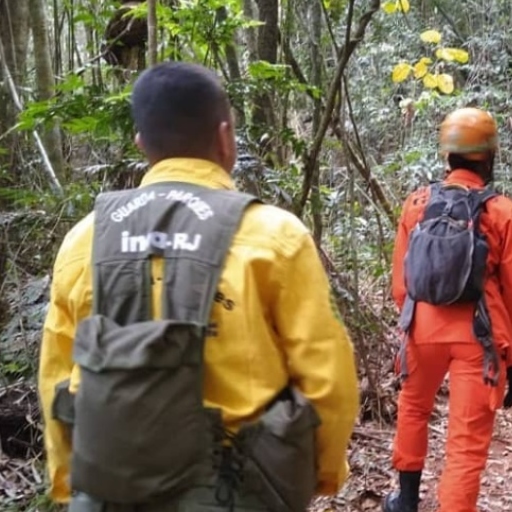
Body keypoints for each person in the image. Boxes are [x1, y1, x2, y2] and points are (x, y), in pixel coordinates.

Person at [38, 62, 360, 510]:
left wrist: (69, 482)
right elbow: (328, 380)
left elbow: (56, 379)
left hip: (108, 493)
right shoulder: (275, 236)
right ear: (225, 138)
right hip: (237, 489)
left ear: (141, 145)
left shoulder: (85, 239)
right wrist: (319, 475)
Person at [385, 107, 512, 512]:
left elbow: (401, 286)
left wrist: (417, 324)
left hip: (422, 329)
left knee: (414, 408)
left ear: (447, 154)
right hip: (479, 337)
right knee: (466, 443)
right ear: (489, 155)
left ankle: (406, 500)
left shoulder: (417, 203)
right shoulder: (502, 211)